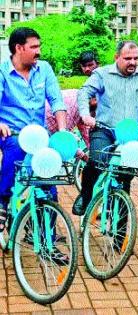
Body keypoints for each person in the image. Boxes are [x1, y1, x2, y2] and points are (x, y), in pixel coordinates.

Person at [0, 27, 67, 261]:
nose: (39, 51)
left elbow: (57, 101)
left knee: (49, 185)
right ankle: (2, 202)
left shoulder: (44, 69)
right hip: (12, 132)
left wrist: (62, 131)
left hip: (39, 136)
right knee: (14, 150)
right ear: (19, 48)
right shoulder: (2, 71)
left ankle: (48, 239)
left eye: (39, 46)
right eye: (34, 47)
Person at [75, 41, 138, 228]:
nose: (133, 62)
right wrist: (85, 114)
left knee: (124, 180)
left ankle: (119, 234)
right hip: (104, 129)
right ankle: (86, 195)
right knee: (96, 161)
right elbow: (84, 93)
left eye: (136, 58)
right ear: (117, 57)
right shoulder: (102, 74)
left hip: (130, 135)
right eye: (128, 58)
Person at [45, 51, 100, 152]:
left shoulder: (100, 80)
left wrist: (94, 154)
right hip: (45, 122)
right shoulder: (74, 103)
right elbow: (63, 139)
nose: (87, 69)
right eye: (84, 66)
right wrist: (83, 155)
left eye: (90, 65)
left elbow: (85, 132)